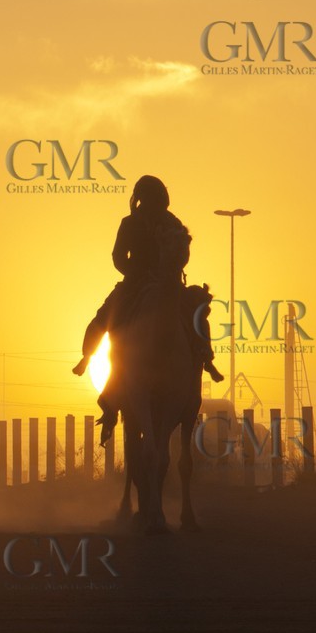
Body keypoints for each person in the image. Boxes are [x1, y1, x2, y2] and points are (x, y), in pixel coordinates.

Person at [74, 175, 223, 441]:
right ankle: (88, 358)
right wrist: (137, 273)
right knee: (107, 315)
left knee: (198, 308)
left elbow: (184, 253)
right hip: (136, 283)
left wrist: (174, 261)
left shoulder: (172, 222)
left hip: (170, 284)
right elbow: (118, 257)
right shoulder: (129, 224)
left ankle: (205, 356)